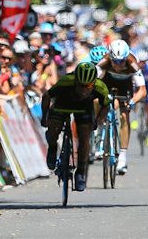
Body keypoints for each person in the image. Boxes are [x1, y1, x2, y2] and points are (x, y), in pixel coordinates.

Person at [40, 61, 110, 192]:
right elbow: (46, 96)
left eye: (88, 86)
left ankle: (81, 172)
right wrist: (45, 117)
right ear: (75, 80)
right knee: (53, 130)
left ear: (94, 83)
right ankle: (52, 148)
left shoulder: (100, 87)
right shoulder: (66, 81)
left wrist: (99, 119)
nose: (84, 90)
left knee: (84, 138)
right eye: (80, 85)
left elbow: (106, 104)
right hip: (62, 105)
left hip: (84, 110)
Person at [97, 39, 147, 174]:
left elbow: (142, 90)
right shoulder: (105, 61)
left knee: (125, 114)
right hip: (108, 82)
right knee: (99, 103)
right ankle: (99, 134)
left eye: (121, 61)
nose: (118, 64)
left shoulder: (132, 64)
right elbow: (94, 81)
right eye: (115, 61)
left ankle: (123, 157)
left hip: (125, 86)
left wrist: (132, 101)